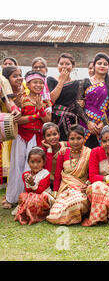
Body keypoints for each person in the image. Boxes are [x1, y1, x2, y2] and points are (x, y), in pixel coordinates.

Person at [4, 71, 51, 209]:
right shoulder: (20, 99)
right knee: (16, 167)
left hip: (35, 138)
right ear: (28, 84)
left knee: (32, 168)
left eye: (41, 82)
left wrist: (40, 109)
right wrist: (37, 115)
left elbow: (47, 120)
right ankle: (12, 198)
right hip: (21, 137)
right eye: (34, 82)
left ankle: (28, 198)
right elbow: (17, 120)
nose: (38, 85)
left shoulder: (45, 100)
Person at [46, 124, 91, 225]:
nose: (75, 142)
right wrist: (55, 193)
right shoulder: (63, 153)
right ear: (68, 140)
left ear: (84, 138)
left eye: (79, 138)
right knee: (55, 211)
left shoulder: (89, 153)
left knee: (78, 202)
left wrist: (87, 185)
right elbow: (57, 175)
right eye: (72, 138)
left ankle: (72, 216)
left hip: (81, 188)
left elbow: (91, 174)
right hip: (65, 188)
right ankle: (69, 216)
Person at [75, 53, 109, 148]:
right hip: (86, 124)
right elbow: (78, 105)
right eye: (99, 63)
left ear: (108, 67)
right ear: (94, 65)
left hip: (102, 126)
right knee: (85, 152)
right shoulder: (85, 82)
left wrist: (103, 124)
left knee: (103, 153)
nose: (102, 66)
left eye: (105, 64)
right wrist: (88, 122)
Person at [14, 147, 54, 225]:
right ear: (28, 162)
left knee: (36, 199)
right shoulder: (26, 174)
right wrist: (29, 183)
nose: (35, 165)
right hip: (31, 195)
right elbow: (28, 190)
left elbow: (40, 191)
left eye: (39, 162)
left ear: (44, 162)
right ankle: (28, 214)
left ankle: (36, 215)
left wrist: (32, 184)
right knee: (22, 196)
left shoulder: (46, 173)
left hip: (43, 196)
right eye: (32, 162)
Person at [47, 53, 81, 141]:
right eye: (61, 64)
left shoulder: (76, 83)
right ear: (57, 66)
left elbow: (78, 102)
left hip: (71, 120)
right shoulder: (51, 80)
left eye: (67, 64)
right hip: (55, 119)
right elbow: (51, 99)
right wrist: (62, 80)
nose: (64, 66)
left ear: (72, 66)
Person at [0, 66, 23, 188]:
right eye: (15, 76)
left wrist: (15, 109)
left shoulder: (2, 80)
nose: (19, 78)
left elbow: (8, 101)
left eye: (19, 75)